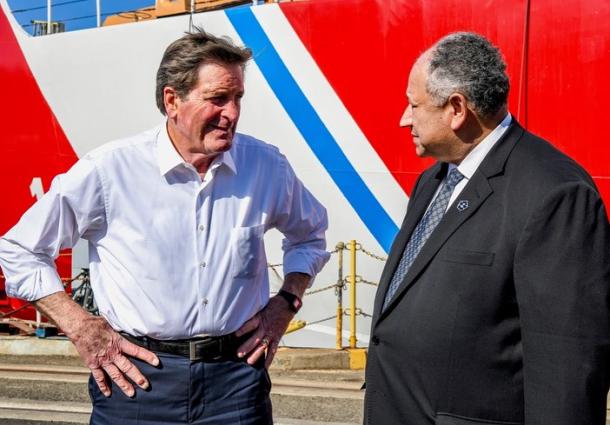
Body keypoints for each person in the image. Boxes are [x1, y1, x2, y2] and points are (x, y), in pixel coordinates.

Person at [0, 28, 330, 424]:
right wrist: (80, 326)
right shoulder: (110, 170)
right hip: (138, 382)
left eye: (238, 98)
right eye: (218, 99)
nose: (233, 114)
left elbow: (310, 235)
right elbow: (19, 249)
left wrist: (286, 303)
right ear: (172, 100)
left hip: (237, 380)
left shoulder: (267, 167)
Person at [364, 32, 610, 425]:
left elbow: (567, 365)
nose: (404, 118)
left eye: (414, 105)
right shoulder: (434, 181)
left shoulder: (553, 193)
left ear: (457, 109)